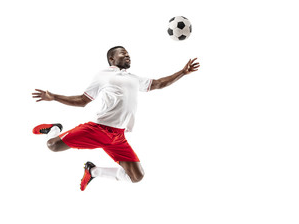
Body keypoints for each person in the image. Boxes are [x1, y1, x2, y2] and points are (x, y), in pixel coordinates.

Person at [32, 46, 200, 191]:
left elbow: (158, 83)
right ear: (112, 59)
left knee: (136, 176)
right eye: (123, 53)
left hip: (118, 136)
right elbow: (82, 101)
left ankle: (93, 172)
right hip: (97, 129)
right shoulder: (103, 75)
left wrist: (183, 73)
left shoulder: (134, 78)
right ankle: (53, 129)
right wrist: (54, 97)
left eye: (128, 53)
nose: (127, 55)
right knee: (52, 145)